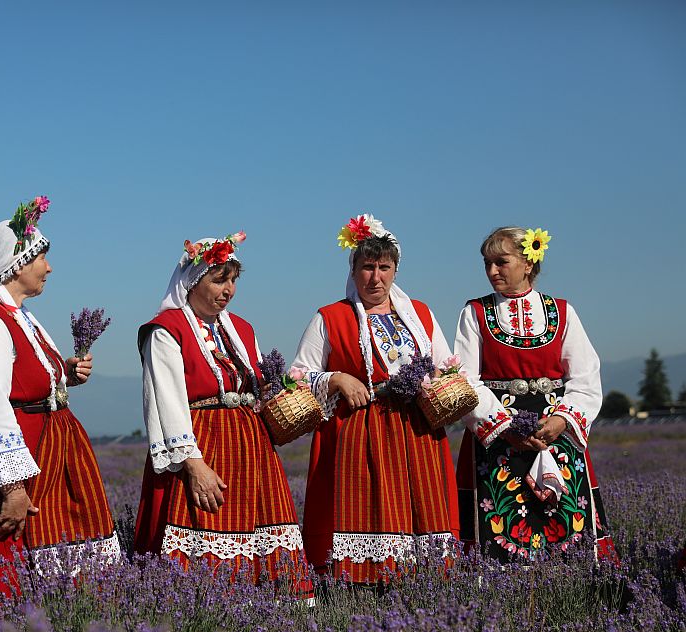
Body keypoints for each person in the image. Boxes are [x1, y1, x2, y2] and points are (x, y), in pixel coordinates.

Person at [0, 197, 119, 610]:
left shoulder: (18, 316)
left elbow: (22, 378)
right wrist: (12, 489)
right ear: (19, 263)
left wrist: (63, 373)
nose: (49, 268)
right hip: (12, 464)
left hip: (45, 454)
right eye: (43, 259)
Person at [134, 232, 313, 599]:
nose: (228, 289)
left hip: (250, 447)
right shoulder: (167, 331)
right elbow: (165, 400)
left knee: (261, 524)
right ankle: (203, 611)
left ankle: (272, 612)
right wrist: (192, 464)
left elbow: (259, 384)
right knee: (203, 525)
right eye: (219, 280)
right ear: (193, 280)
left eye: (233, 280)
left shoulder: (242, 330)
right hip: (200, 445)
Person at [293, 215, 460, 582]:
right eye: (367, 267)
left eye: (384, 267)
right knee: (363, 505)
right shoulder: (330, 318)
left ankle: (424, 584)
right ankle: (361, 585)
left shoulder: (420, 315)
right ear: (353, 271)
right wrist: (336, 378)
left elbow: (446, 365)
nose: (376, 277)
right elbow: (299, 376)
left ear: (396, 270)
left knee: (422, 505)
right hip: (357, 432)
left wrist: (435, 384)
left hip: (417, 432)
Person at [454, 226, 615, 562]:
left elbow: (586, 375)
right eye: (487, 263)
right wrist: (506, 428)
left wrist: (561, 420)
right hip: (499, 436)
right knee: (499, 524)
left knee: (565, 522)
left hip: (555, 433)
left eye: (501, 262)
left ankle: (575, 594)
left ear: (528, 263)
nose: (492, 271)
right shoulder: (475, 313)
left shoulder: (562, 311)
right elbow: (466, 381)